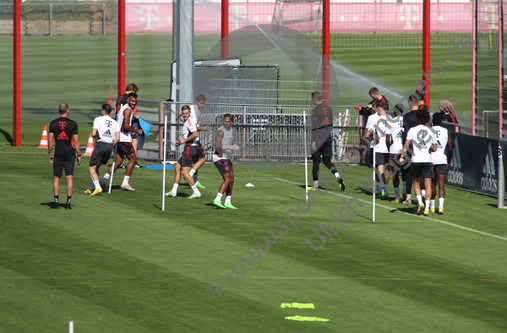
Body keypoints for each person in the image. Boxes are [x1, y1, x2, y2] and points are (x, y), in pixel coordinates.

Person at [101, 93, 143, 191]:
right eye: (132, 101)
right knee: (133, 159)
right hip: (124, 139)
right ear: (128, 100)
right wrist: (137, 130)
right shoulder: (128, 110)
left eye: (135, 102)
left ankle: (103, 181)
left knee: (118, 162)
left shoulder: (123, 108)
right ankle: (125, 182)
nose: (134, 103)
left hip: (119, 137)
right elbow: (126, 126)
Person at [399, 109, 437, 216]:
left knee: (416, 182)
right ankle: (427, 207)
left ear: (417, 118)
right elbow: (434, 148)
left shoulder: (412, 130)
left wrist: (402, 156)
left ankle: (420, 202)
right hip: (427, 160)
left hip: (416, 160)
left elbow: (406, 144)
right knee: (427, 184)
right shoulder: (431, 131)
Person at [308, 91, 345, 191]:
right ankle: (338, 177)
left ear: (314, 99)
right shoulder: (328, 108)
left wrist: (313, 141)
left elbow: (315, 126)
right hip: (328, 137)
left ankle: (316, 184)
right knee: (327, 161)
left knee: (316, 161)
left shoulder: (314, 110)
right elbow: (331, 123)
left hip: (319, 138)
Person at [166, 105, 205, 199]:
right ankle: (174, 191)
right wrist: (181, 142)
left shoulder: (190, 122)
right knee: (177, 168)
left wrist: (184, 140)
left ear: (190, 113)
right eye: (183, 113)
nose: (185, 115)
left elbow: (195, 134)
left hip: (190, 149)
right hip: (188, 147)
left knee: (184, 172)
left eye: (186, 113)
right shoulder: (187, 121)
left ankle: (196, 191)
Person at [48, 103, 81, 209]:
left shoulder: (53, 123)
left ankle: (57, 203)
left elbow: (50, 141)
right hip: (70, 154)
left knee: (57, 178)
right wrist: (79, 155)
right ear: (68, 111)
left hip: (58, 154)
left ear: (59, 111)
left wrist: (50, 153)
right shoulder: (73, 124)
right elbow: (76, 142)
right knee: (69, 178)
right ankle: (68, 204)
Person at [84, 104, 120, 196]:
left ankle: (97, 187)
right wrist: (111, 145)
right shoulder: (115, 122)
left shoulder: (98, 119)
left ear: (103, 110)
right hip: (109, 147)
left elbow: (93, 133)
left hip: (100, 145)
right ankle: (91, 188)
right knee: (97, 167)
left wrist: (96, 136)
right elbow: (118, 138)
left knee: (91, 168)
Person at [212, 114, 240, 209]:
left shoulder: (231, 130)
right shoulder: (221, 131)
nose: (226, 123)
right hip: (219, 157)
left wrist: (229, 153)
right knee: (227, 179)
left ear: (231, 121)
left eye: (228, 121)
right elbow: (217, 145)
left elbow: (227, 142)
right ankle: (217, 199)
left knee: (232, 180)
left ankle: (228, 201)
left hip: (226, 157)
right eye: (225, 121)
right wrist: (232, 147)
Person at [365, 100, 390, 198]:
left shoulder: (375, 120)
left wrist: (366, 137)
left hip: (378, 148)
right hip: (388, 148)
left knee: (380, 170)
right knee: (385, 170)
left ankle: (384, 190)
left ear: (379, 110)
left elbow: (367, 134)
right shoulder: (390, 119)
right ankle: (382, 188)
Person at [430, 112, 453, 214]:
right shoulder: (446, 131)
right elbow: (450, 147)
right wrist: (449, 160)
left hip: (430, 160)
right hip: (442, 160)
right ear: (441, 121)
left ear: (432, 121)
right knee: (441, 185)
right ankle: (440, 207)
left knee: (431, 184)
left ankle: (431, 206)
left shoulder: (429, 131)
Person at [115, 83, 142, 169]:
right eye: (134, 92)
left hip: (118, 122)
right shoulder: (127, 99)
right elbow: (126, 112)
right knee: (135, 141)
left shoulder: (120, 97)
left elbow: (120, 111)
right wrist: (134, 117)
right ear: (131, 90)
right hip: (123, 127)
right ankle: (133, 161)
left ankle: (120, 162)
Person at [401, 94, 420, 205]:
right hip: (422, 148)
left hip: (410, 148)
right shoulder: (424, 115)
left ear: (409, 104)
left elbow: (406, 134)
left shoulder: (407, 116)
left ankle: (408, 197)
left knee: (408, 173)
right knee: (420, 174)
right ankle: (422, 197)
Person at [385, 103, 406, 203]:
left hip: (394, 150)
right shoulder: (406, 121)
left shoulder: (391, 122)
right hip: (404, 151)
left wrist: (389, 147)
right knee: (406, 173)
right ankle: (405, 192)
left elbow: (388, 138)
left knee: (395, 174)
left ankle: (397, 197)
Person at [187, 94, 208, 188]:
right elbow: (193, 126)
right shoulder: (192, 110)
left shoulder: (197, 111)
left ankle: (195, 180)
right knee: (203, 158)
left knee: (195, 160)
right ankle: (190, 174)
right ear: (196, 102)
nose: (203, 105)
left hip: (195, 139)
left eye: (204, 104)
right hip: (192, 139)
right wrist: (203, 129)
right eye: (201, 103)